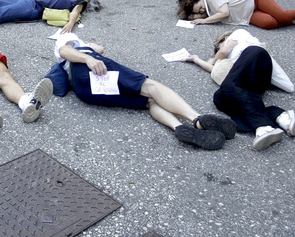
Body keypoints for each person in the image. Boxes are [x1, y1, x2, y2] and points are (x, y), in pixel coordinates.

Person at [49, 33, 237, 150]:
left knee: (149, 101)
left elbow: (100, 48)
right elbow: (66, 50)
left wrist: (91, 47)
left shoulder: (73, 58)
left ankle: (179, 128)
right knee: (151, 87)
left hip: (86, 92)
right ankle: (197, 119)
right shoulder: (70, 40)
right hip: (91, 69)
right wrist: (88, 57)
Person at [184, 29, 295, 151]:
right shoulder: (231, 60)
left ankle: (263, 126)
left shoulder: (238, 34)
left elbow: (224, 51)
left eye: (218, 45)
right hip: (252, 84)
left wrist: (213, 58)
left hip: (256, 55)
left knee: (227, 87)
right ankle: (279, 116)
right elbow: (215, 70)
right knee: (220, 98)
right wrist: (196, 59)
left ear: (225, 38)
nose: (218, 49)